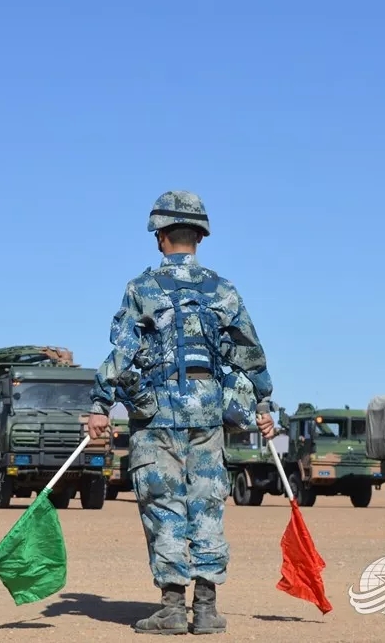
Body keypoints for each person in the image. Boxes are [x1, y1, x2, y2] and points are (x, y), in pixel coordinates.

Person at [87, 190, 275, 636]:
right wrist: (263, 403)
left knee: (163, 506)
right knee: (207, 505)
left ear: (160, 236)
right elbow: (249, 353)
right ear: (200, 237)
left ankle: (172, 609)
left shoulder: (142, 288)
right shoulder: (223, 290)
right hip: (209, 416)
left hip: (156, 418)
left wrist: (100, 403)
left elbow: (124, 351)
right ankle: (206, 609)